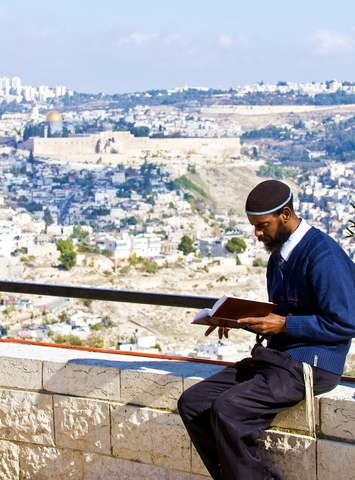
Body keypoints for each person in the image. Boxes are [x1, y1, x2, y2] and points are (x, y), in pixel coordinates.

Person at [178, 179, 355, 480]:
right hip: (277, 359)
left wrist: (284, 323)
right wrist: (234, 319)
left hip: (310, 367)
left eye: (262, 225)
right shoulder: (279, 258)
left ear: (285, 214)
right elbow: (280, 320)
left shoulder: (324, 256)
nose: (257, 233)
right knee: (193, 403)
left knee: (228, 410)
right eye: (254, 226)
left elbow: (346, 322)